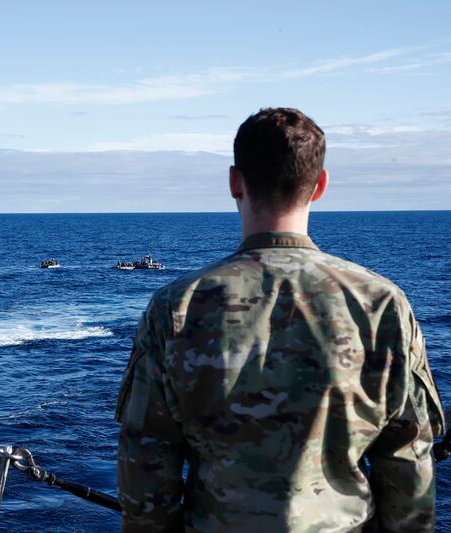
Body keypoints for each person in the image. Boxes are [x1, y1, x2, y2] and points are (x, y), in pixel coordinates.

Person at [116, 108, 445, 532]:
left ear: (235, 181)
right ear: (321, 185)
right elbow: (407, 460)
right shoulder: (381, 304)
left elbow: (146, 463)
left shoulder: (177, 307)